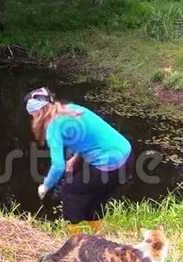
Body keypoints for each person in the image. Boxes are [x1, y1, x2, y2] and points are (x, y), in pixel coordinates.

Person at [24, 87, 133, 234]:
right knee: (97, 197)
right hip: (126, 155)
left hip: (109, 166)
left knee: (70, 192)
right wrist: (76, 158)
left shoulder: (53, 129)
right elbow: (85, 137)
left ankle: (75, 241)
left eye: (32, 115)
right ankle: (97, 234)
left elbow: (58, 166)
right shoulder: (73, 109)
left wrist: (45, 186)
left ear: (36, 113)